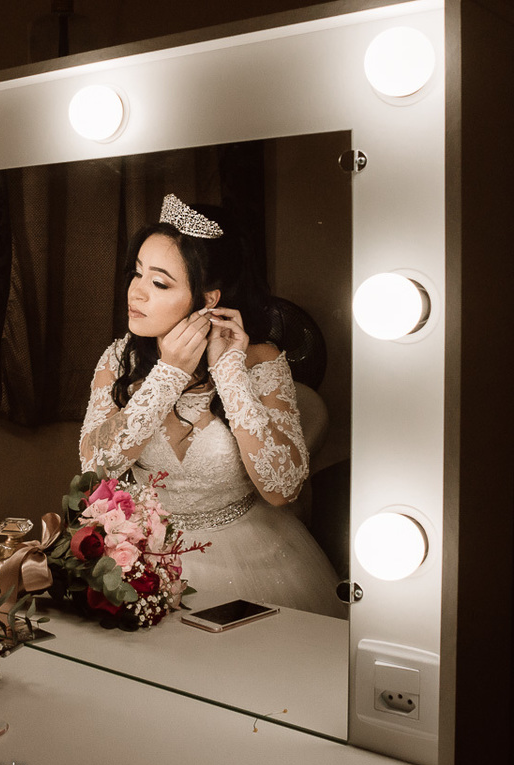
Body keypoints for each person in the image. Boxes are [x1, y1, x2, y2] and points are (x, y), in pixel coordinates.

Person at [79, 194, 343, 618]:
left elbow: (282, 488)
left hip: (252, 557)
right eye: (137, 273)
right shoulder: (119, 358)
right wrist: (167, 375)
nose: (136, 292)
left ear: (207, 300)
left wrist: (230, 372)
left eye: (160, 282)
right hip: (141, 556)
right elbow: (96, 468)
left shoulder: (262, 361)